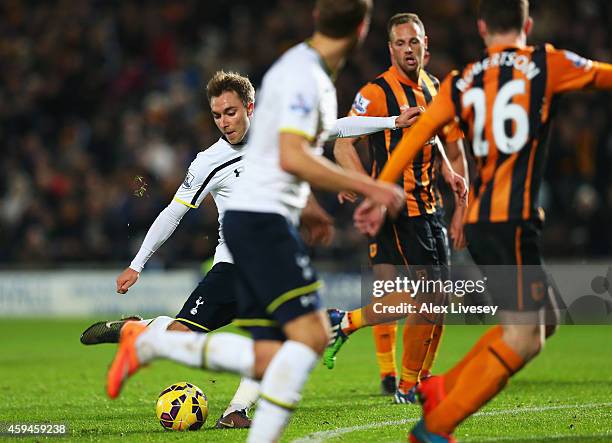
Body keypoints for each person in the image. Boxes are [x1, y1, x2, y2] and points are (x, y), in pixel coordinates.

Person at [81, 66, 413, 429]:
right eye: (217, 115)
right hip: (234, 266)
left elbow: (336, 126)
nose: (224, 122)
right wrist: (137, 265)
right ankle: (137, 331)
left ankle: (235, 411)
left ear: (251, 107)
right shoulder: (209, 161)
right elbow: (172, 214)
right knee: (181, 339)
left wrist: (394, 121)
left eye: (231, 112)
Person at [355, 0, 612, 441]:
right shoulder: (547, 62)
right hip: (509, 220)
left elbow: (417, 134)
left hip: (488, 221)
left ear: (481, 27)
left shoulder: (460, 81)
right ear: (527, 24)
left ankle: (440, 387)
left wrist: (381, 190)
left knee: (545, 318)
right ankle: (434, 426)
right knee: (525, 336)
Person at [330, 12, 468, 403]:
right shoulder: (375, 93)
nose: (408, 49)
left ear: (427, 45)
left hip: (431, 208)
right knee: (425, 295)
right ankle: (403, 381)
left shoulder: (435, 87)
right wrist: (364, 188)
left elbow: (446, 144)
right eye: (400, 43)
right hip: (398, 210)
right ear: (390, 48)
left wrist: (454, 184)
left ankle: (408, 375)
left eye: (414, 42)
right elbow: (342, 142)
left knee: (423, 299)